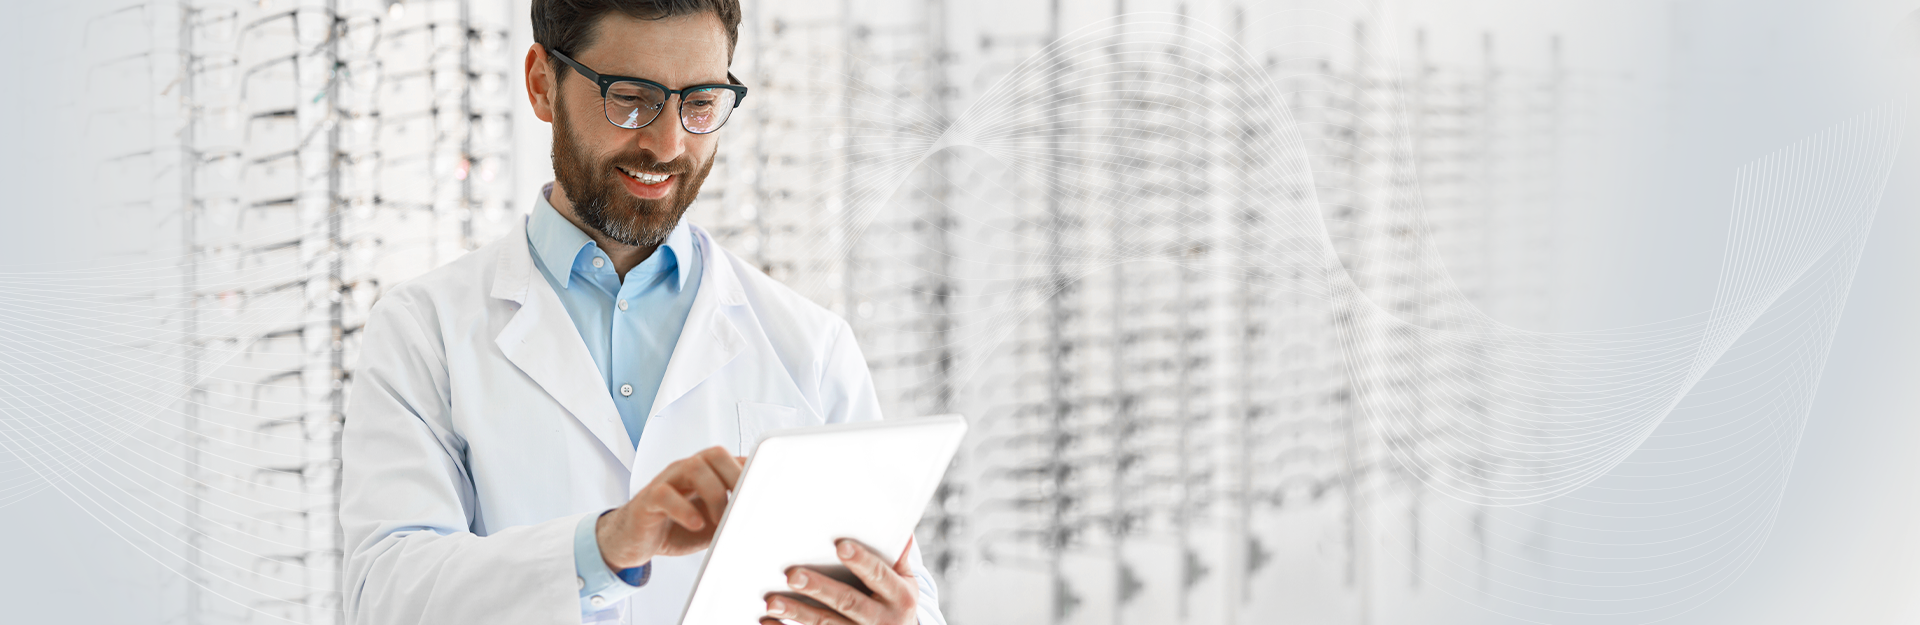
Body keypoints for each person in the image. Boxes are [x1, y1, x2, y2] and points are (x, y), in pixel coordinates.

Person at [338, 2, 943, 624]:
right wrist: (603, 547)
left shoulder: (811, 346)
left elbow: (906, 594)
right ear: (543, 85)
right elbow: (384, 595)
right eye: (630, 99)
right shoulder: (423, 329)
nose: (668, 144)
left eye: (701, 104)